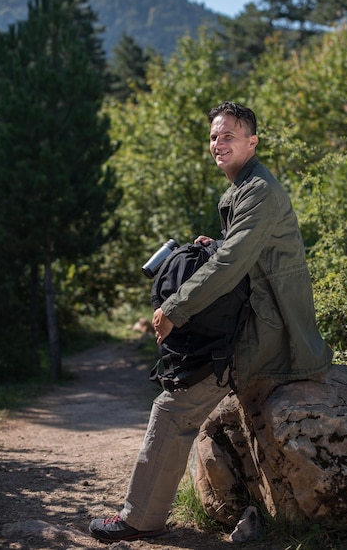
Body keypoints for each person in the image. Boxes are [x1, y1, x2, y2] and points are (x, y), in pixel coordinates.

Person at [89, 101, 333, 543]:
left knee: (173, 408)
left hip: (267, 330)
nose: (218, 144)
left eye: (229, 136)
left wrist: (175, 308)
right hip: (257, 317)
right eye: (214, 137)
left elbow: (232, 263)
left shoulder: (258, 189)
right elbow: (242, 249)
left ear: (252, 142)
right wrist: (217, 242)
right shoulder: (247, 186)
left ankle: (140, 519)